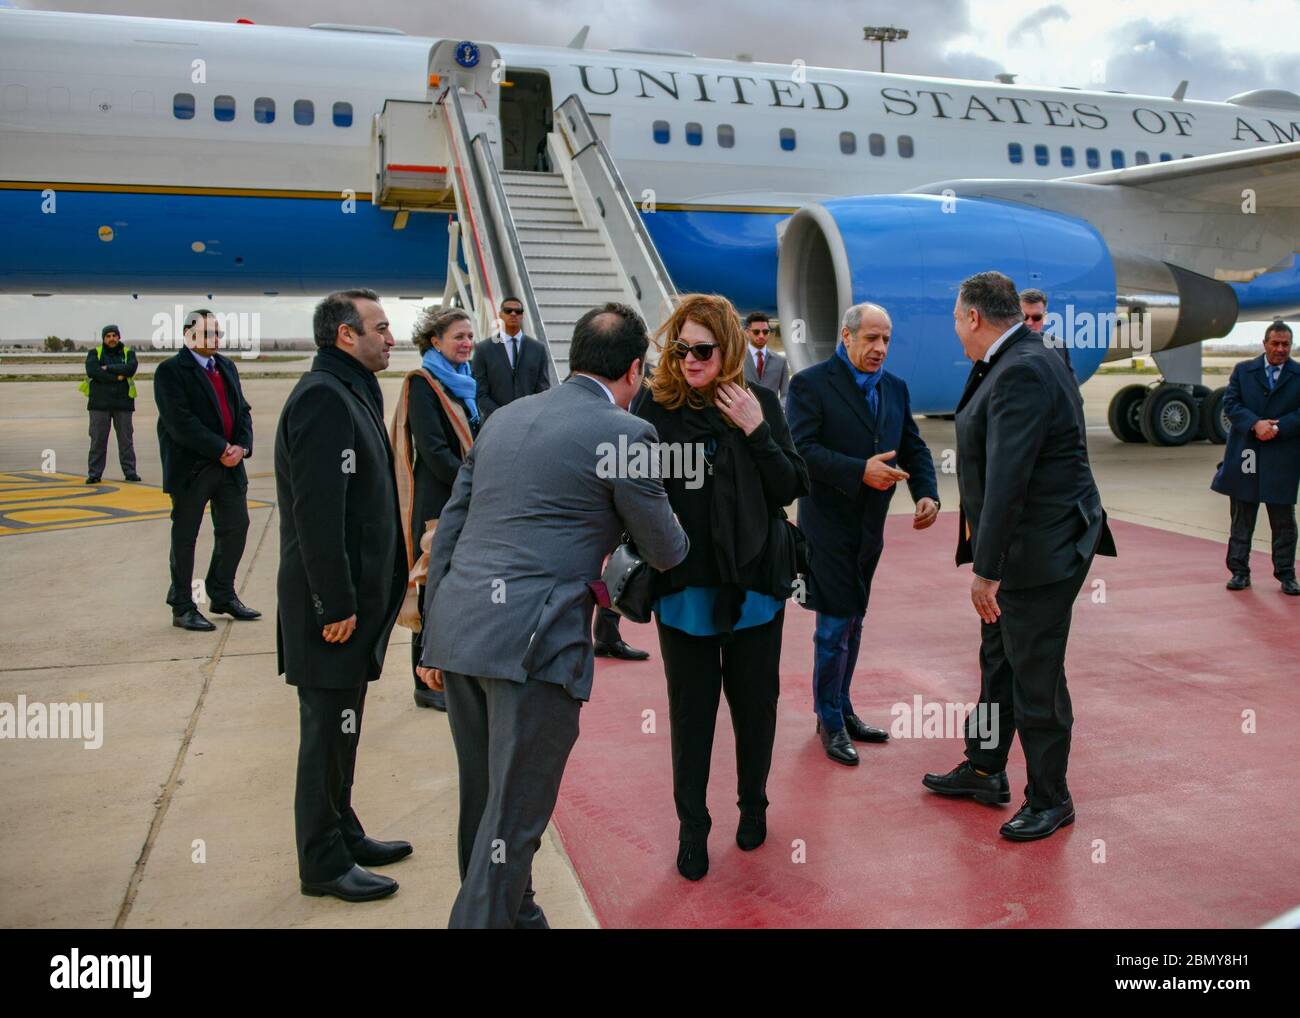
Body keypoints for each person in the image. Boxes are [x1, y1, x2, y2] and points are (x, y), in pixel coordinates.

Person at [416, 301, 688, 928]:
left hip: (462, 634)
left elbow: (449, 535)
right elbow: (666, 548)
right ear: (634, 368)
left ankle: (519, 914)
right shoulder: (627, 434)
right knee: (514, 817)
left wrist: (434, 633)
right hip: (535, 647)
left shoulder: (504, 419)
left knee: (485, 803)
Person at [923, 271, 1115, 842]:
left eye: (957, 319)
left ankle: (1051, 798)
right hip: (1028, 544)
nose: (955, 329)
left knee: (1035, 674)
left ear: (975, 318)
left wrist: (988, 570)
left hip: (1040, 554)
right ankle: (984, 766)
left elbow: (1010, 478)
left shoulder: (1023, 368)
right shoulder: (1019, 357)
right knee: (998, 662)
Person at [633, 293, 809, 881]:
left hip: (755, 585)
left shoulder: (758, 402)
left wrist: (757, 431)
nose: (689, 359)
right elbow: (631, 491)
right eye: (680, 348)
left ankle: (754, 805)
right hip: (684, 589)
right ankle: (692, 828)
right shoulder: (655, 408)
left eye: (702, 349)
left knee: (755, 710)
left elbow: (788, 486)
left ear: (728, 348)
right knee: (692, 716)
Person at [275, 289, 411, 903]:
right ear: (345, 336)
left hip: (351, 606)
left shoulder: (352, 388)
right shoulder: (323, 400)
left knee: (344, 732)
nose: (391, 337)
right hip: (331, 611)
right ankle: (321, 862)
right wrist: (337, 605)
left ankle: (342, 828)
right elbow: (317, 517)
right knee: (326, 734)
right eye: (380, 328)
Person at [786, 302, 939, 767]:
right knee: (832, 627)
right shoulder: (810, 384)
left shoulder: (895, 388)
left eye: (886, 339)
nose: (880, 348)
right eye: (871, 338)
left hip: (870, 529)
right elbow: (801, 450)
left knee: (853, 622)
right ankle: (829, 718)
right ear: (846, 337)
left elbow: (912, 443)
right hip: (827, 527)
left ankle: (843, 706)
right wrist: (860, 472)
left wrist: (926, 493)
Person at [393, 306, 481, 713]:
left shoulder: (462, 383)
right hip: (437, 504)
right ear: (435, 341)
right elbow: (434, 451)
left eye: (469, 336)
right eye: (458, 336)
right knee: (429, 589)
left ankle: (448, 672)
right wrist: (476, 483)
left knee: (453, 591)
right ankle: (422, 681)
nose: (466, 343)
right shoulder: (424, 385)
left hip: (460, 500)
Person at [153, 309, 259, 631]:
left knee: (236, 528)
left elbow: (243, 411)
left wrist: (242, 447)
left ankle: (222, 593)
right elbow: (180, 422)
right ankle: (183, 605)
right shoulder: (171, 371)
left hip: (229, 468)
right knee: (186, 537)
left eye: (217, 333)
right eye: (207, 333)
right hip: (193, 469)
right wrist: (220, 448)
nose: (214, 339)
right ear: (188, 334)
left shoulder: (226, 367)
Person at [1211, 320, 1300, 595]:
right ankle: (1239, 571)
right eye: (1275, 343)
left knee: (1283, 520)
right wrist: (1255, 424)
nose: (1281, 349)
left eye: (1286, 344)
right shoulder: (1243, 371)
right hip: (1247, 453)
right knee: (1242, 516)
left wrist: (1278, 427)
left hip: (1282, 454)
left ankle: (1286, 574)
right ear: (1265, 344)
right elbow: (1231, 404)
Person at [471, 296, 550, 420]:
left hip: (528, 421)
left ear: (522, 315)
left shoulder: (538, 349)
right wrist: (503, 415)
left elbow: (543, 390)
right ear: (500, 315)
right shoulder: (483, 349)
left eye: (518, 311)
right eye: (508, 311)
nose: (513, 314)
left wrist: (529, 414)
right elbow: (480, 393)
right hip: (494, 423)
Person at [82, 324, 141, 483]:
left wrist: (107, 368)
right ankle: (94, 474)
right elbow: (93, 371)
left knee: (126, 440)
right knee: (97, 441)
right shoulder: (94, 353)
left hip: (123, 404)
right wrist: (116, 377)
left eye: (114, 335)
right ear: (103, 338)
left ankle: (130, 472)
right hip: (99, 405)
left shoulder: (129, 353)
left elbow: (130, 369)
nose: (111, 338)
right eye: (108, 336)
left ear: (119, 337)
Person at [1020, 287, 1074, 376]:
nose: (1029, 323)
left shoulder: (1059, 346)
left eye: (1036, 317)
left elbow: (1069, 385)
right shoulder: (1003, 346)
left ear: (1045, 317)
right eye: (1024, 317)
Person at [741, 311, 789, 400]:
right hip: (743, 412)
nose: (761, 336)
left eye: (765, 332)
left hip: (773, 412)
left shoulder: (781, 361)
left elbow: (785, 394)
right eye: (756, 332)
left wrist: (780, 410)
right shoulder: (737, 360)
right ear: (747, 332)